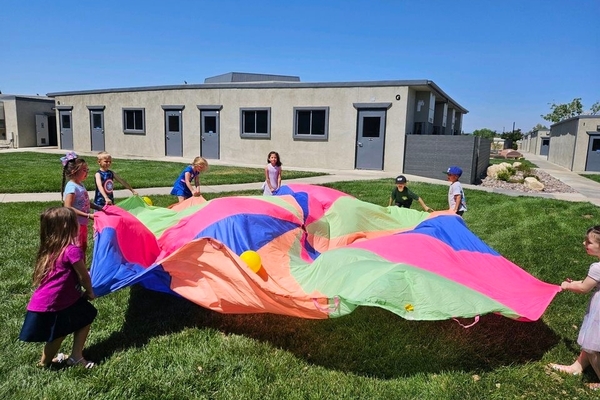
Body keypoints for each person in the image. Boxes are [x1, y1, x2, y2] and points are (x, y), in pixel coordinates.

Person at [19, 207, 97, 368]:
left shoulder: (50, 249)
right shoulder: (72, 251)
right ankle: (56, 361)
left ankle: (56, 360)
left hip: (51, 300)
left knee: (85, 316)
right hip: (56, 303)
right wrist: (89, 291)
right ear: (68, 226)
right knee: (59, 333)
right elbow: (83, 277)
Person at [549, 226, 600, 390]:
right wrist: (574, 283)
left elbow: (584, 288)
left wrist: (567, 286)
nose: (584, 243)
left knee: (593, 347)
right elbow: (589, 283)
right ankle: (577, 367)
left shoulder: (597, 267)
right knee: (593, 341)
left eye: (588, 242)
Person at [61, 152, 101, 255]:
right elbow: (68, 207)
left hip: (82, 223)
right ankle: (76, 265)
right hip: (75, 224)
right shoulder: (72, 187)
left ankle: (82, 264)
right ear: (74, 171)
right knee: (76, 248)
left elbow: (84, 201)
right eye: (84, 170)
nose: (87, 172)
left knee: (83, 247)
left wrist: (98, 208)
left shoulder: (80, 184)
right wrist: (88, 215)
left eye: (87, 170)